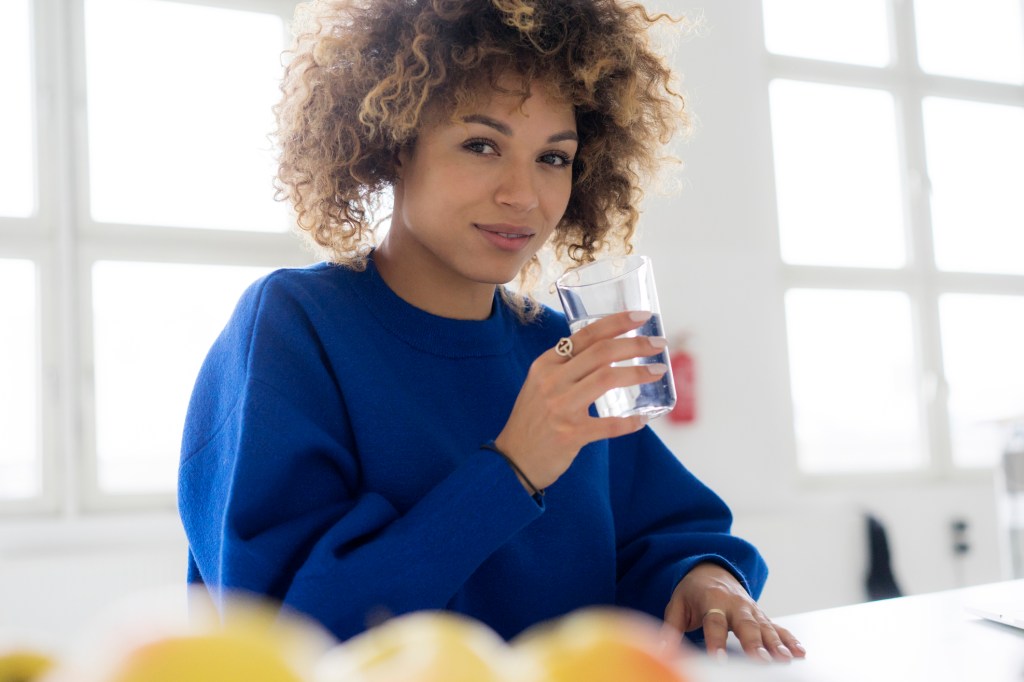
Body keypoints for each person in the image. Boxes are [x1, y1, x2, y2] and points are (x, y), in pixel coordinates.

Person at [178, 0, 805, 663]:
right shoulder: (293, 329)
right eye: (482, 145)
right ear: (393, 143)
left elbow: (667, 532)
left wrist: (703, 578)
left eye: (554, 158)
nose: (523, 195)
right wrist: (511, 470)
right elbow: (286, 639)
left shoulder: (562, 351)